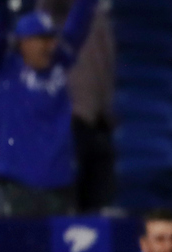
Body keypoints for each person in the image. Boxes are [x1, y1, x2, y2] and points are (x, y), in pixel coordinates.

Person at [0, 0, 100, 216]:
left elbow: (79, 22)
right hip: (17, 188)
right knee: (15, 250)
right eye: (41, 39)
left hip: (60, 186)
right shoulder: (4, 67)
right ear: (22, 42)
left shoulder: (59, 64)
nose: (49, 45)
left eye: (51, 38)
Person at [37, 0, 115, 212]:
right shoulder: (42, 19)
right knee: (65, 207)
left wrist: (107, 114)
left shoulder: (97, 16)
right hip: (62, 125)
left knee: (97, 209)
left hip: (97, 123)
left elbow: (108, 65)